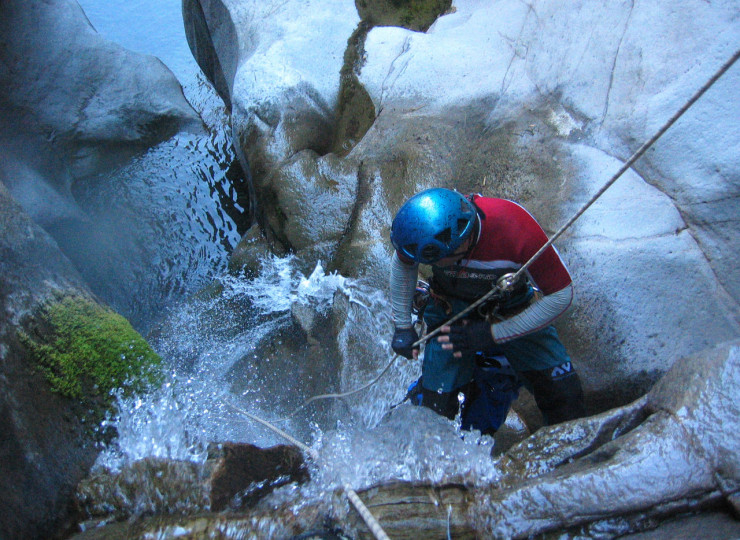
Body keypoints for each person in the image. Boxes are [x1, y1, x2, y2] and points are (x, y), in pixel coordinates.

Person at [389, 187, 585, 434]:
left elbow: (561, 294)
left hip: (512, 309)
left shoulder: (515, 227)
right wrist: (403, 327)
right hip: (452, 313)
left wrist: (494, 333)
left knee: (563, 394)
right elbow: (403, 263)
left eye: (440, 260)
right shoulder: (420, 232)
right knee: (437, 407)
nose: (434, 266)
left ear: (464, 240)